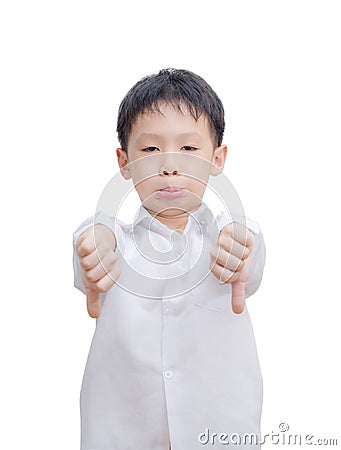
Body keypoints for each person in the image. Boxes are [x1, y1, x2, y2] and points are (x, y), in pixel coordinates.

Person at [72, 68, 266, 450]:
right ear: (123, 162)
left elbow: (250, 253)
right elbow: (91, 245)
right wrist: (94, 240)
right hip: (122, 434)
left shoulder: (229, 238)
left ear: (218, 158)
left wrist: (242, 244)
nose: (170, 165)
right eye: (150, 149)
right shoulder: (111, 242)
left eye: (190, 149)